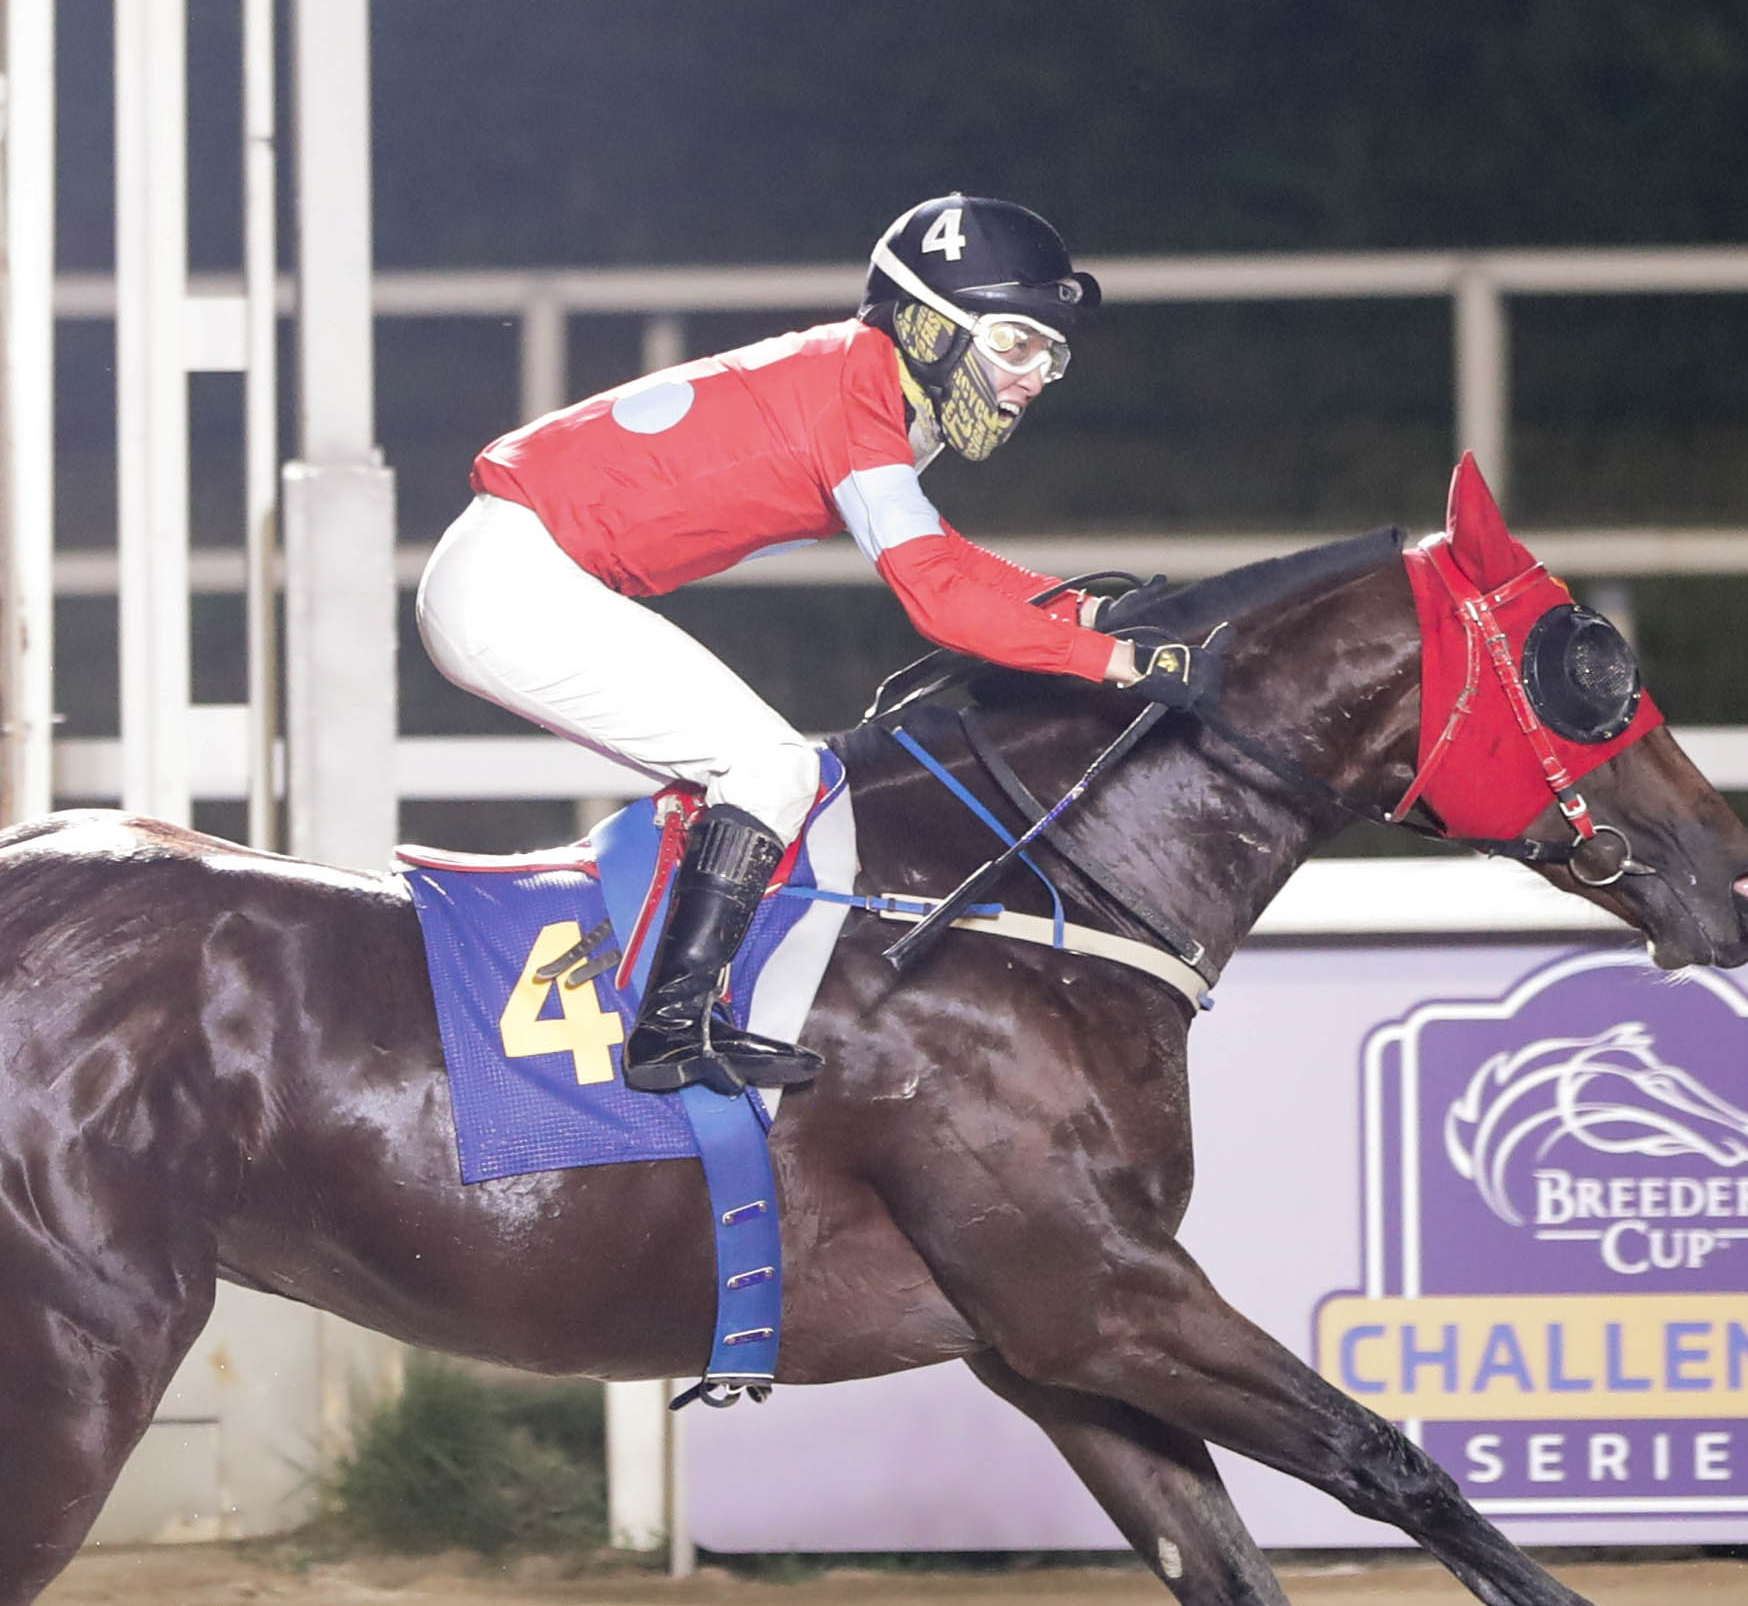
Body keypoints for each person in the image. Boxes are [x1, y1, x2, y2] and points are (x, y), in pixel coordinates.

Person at [416, 193, 1201, 1096]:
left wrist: (1078, 613)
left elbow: (939, 553)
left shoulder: (866, 378)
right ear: (931, 327)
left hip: (521, 569)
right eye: (1015, 343)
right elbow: (939, 601)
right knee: (772, 771)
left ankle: (680, 1007)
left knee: (778, 777)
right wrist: (1115, 662)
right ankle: (668, 1027)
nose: (1033, 375)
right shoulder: (860, 393)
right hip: (516, 579)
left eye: (1050, 355)